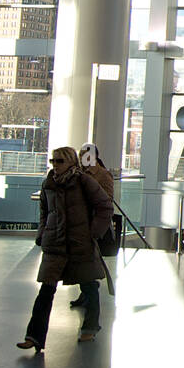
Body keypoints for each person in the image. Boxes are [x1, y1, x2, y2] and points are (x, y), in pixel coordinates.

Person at [17, 146, 115, 352]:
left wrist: (93, 232)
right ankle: (34, 336)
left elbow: (105, 206)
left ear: (70, 162)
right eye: (53, 161)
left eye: (60, 161)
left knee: (89, 285)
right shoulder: (49, 184)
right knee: (46, 289)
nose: (55, 165)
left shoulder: (84, 181)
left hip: (80, 243)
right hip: (55, 244)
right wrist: (42, 234)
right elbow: (44, 211)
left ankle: (90, 326)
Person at [71, 143, 114, 309]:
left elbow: (107, 200)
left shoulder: (103, 175)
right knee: (83, 263)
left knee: (88, 261)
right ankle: (86, 292)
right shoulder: (78, 173)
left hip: (92, 225)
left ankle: (89, 293)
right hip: (80, 224)